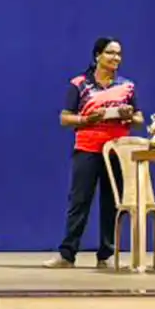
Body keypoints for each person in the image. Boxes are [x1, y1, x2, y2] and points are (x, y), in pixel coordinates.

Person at [51, 37, 139, 269]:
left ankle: (106, 255)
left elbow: (139, 118)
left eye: (119, 54)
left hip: (117, 152)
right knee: (79, 202)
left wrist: (127, 115)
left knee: (112, 203)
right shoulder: (79, 84)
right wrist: (86, 119)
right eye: (110, 53)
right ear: (97, 55)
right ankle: (67, 255)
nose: (116, 58)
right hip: (87, 149)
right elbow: (64, 117)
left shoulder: (127, 86)